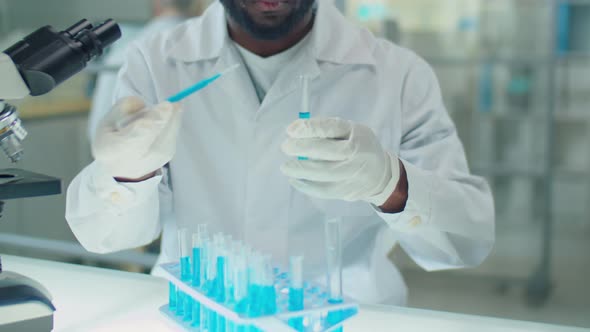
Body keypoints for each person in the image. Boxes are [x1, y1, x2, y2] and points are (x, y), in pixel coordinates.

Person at [66, 0, 495, 305]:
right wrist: (127, 175)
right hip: (199, 312)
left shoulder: (398, 74)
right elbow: (109, 236)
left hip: (347, 313)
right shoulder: (155, 62)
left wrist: (391, 183)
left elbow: (466, 237)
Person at [88, 0, 207, 142]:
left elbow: (98, 132)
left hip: (121, 154)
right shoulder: (202, 48)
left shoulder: (123, 51)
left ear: (155, 3)